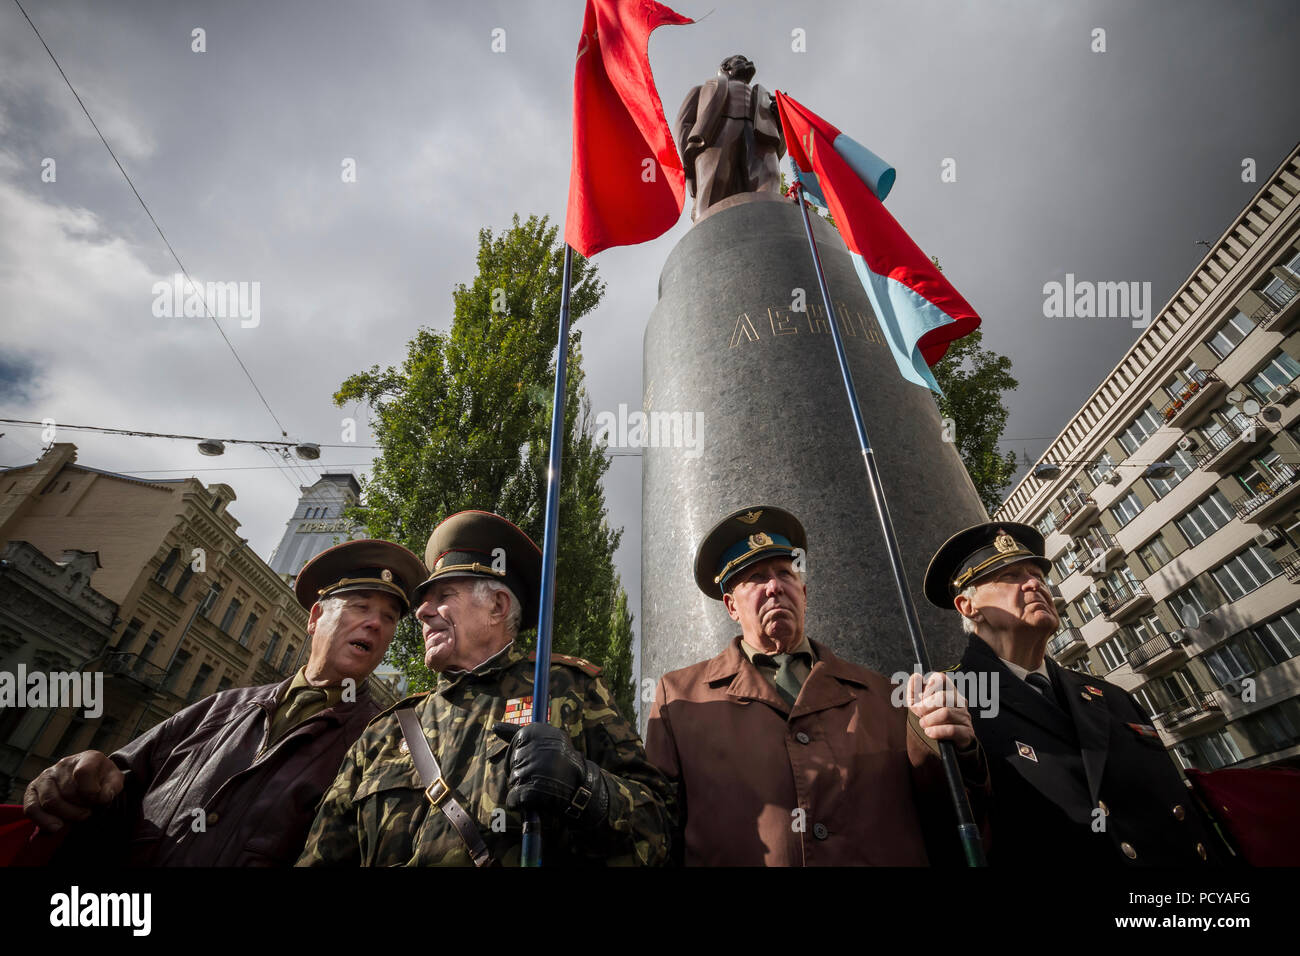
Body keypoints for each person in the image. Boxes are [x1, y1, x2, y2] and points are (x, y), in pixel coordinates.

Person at [296, 510, 674, 866]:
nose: (422, 613)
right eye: (424, 602)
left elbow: (660, 829)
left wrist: (585, 788)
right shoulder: (386, 730)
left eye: (443, 597)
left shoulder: (565, 689)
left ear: (497, 605)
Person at [23, 539, 425, 866]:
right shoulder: (221, 707)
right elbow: (117, 784)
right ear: (315, 616)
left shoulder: (386, 741)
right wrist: (84, 770)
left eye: (389, 617)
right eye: (360, 607)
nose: (375, 622)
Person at [645, 505, 989, 866]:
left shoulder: (888, 697)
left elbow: (952, 823)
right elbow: (657, 830)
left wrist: (962, 751)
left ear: (804, 593)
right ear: (731, 606)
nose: (775, 586)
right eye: (756, 578)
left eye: (785, 573)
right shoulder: (680, 697)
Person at [923, 521, 1232, 865]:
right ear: (968, 606)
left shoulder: (1110, 696)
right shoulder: (954, 703)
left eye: (1037, 575)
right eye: (1011, 576)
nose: (1034, 584)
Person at [676, 54, 785, 220]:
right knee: (715, 183)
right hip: (717, 136)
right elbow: (683, 124)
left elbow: (780, 143)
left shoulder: (763, 96)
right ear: (726, 67)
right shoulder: (703, 89)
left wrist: (779, 120)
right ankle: (707, 229)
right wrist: (690, 159)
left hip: (759, 135)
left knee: (768, 178)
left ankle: (768, 224)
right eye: (741, 60)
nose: (748, 62)